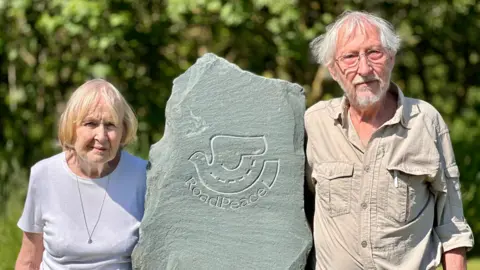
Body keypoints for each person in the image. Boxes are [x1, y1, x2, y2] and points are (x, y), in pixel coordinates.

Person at [305, 11, 474, 270]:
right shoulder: (315, 124)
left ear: (391, 58)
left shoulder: (425, 121)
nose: (364, 68)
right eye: (350, 57)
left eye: (374, 53)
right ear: (333, 70)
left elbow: (451, 223)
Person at [15, 79, 147, 269]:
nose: (101, 136)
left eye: (110, 125)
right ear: (71, 127)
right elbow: (29, 260)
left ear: (123, 130)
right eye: (91, 123)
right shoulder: (44, 175)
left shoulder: (142, 175)